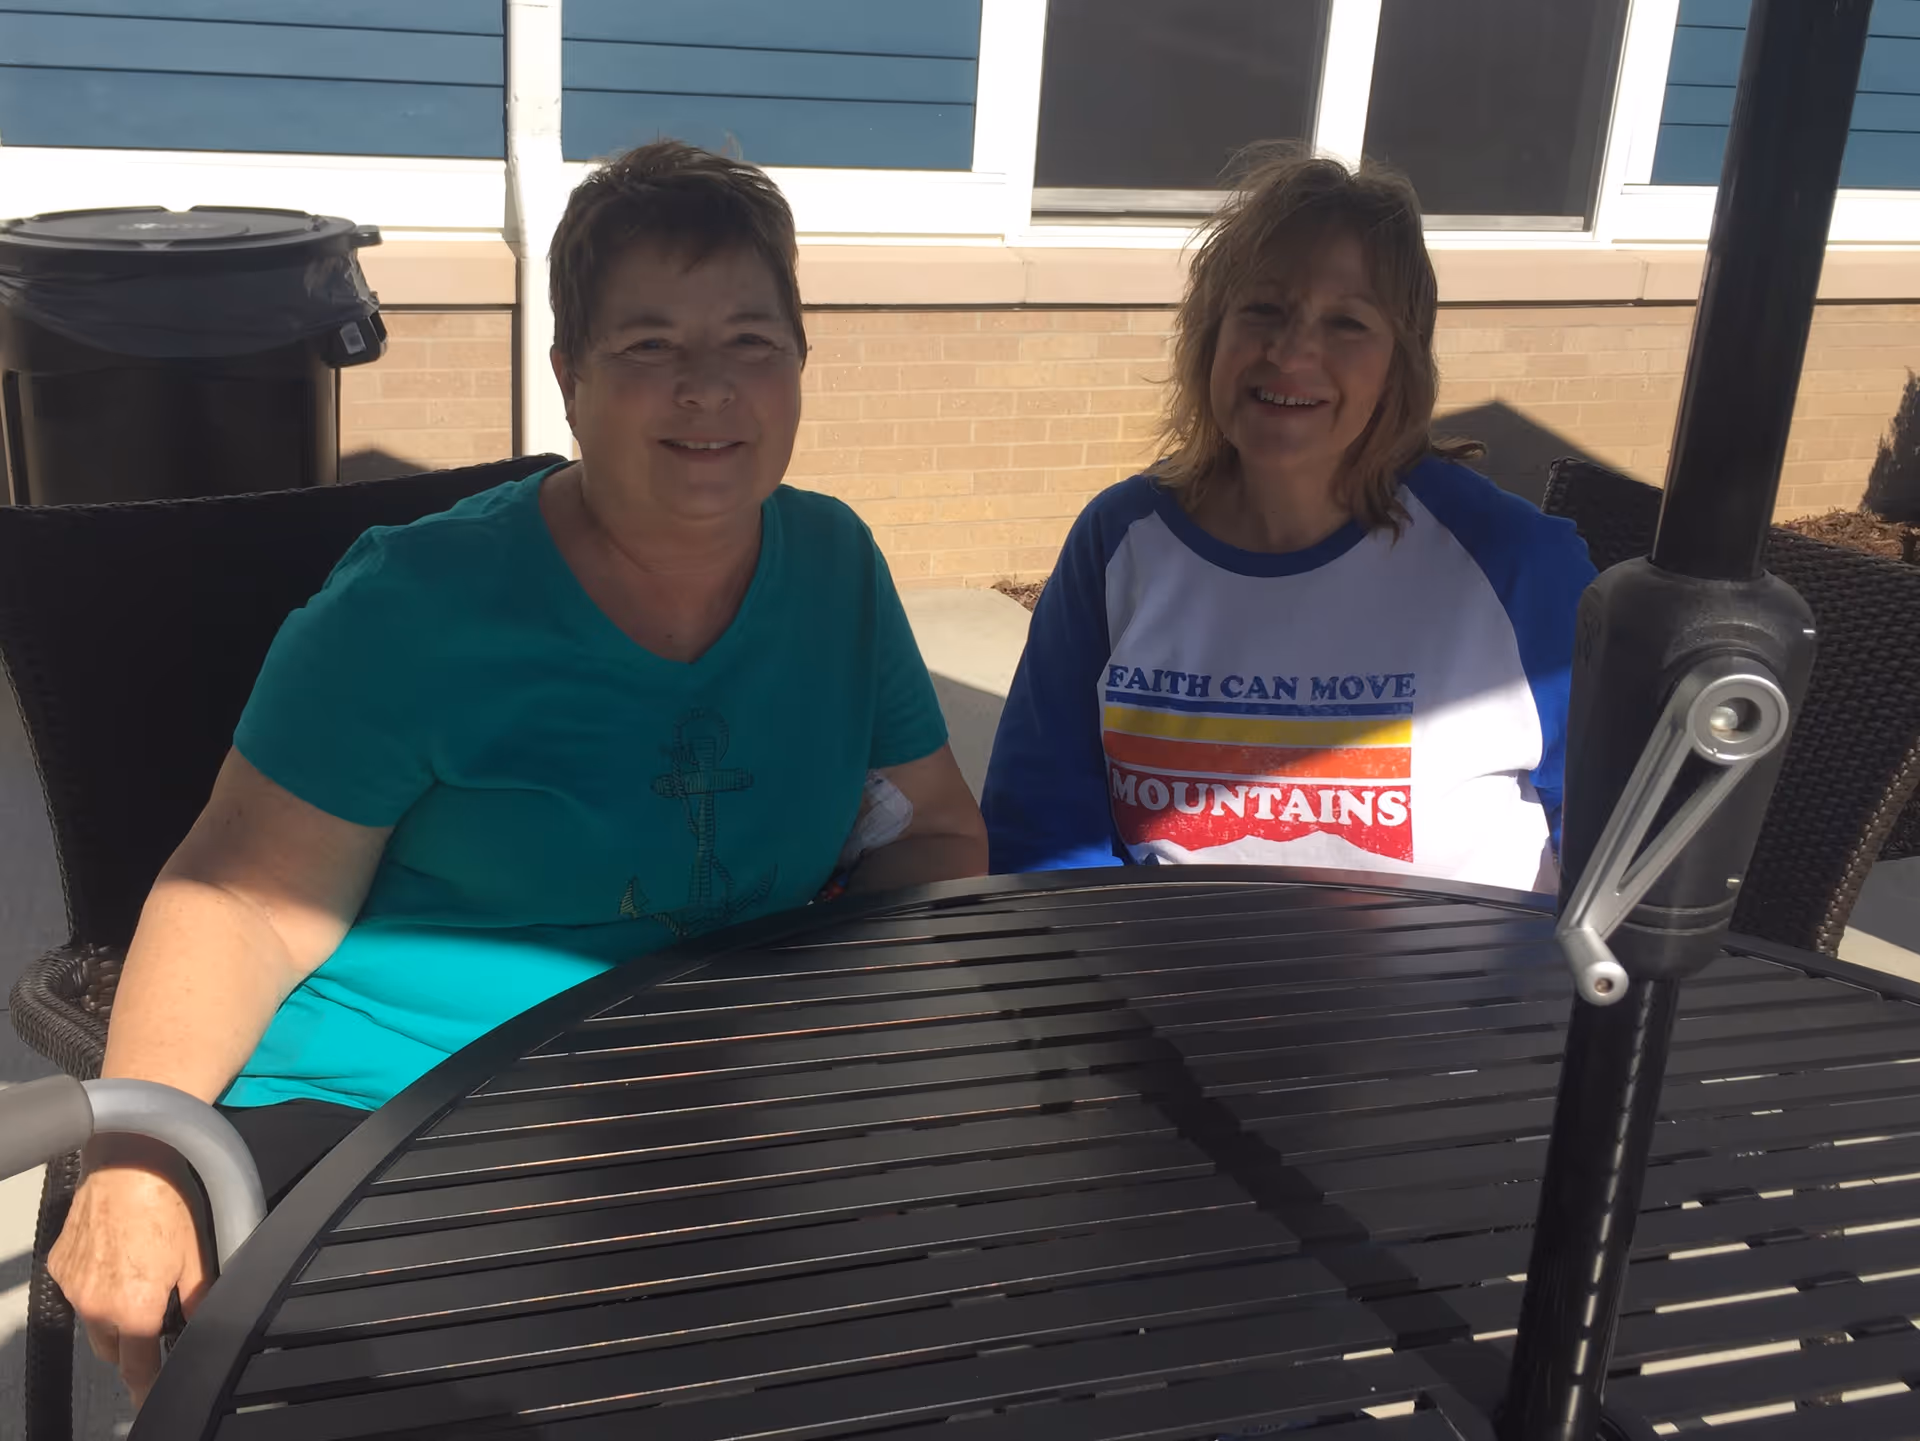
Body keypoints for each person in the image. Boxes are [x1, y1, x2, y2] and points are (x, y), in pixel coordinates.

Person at [48, 140, 987, 1405]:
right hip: (388, 1100)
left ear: (800, 367)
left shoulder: (834, 568)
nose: (707, 389)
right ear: (569, 377)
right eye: (648, 345)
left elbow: (932, 834)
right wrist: (140, 1149)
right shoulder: (414, 606)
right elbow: (244, 901)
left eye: (751, 342)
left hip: (709, 1096)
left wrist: (810, 1022)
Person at [983, 146, 1595, 889]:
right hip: (1166, 990)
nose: (1291, 351)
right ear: (1211, 337)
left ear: (1399, 365)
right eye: (1263, 309)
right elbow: (1042, 829)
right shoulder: (1119, 542)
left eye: (1346, 323)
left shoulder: (1517, 563)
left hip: (1455, 1001)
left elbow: (1619, 837)